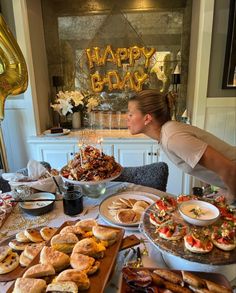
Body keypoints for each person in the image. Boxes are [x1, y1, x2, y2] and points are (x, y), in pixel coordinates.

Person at [127, 89, 236, 203]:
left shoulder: (173, 138)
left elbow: (230, 169)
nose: (127, 118)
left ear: (147, 118)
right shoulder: (166, 135)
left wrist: (231, 196)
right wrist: (211, 189)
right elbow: (201, 163)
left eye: (130, 114)